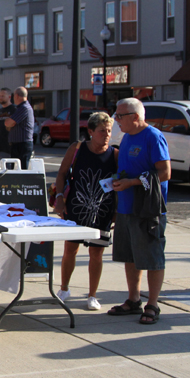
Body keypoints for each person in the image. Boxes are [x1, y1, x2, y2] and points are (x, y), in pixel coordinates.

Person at [108, 98, 171, 325]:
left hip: (147, 209)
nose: (116, 120)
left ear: (135, 117)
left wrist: (133, 182)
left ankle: (152, 304)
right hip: (126, 207)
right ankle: (133, 299)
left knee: (152, 257)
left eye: (120, 116)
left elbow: (165, 172)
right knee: (130, 256)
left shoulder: (153, 137)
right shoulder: (126, 137)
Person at [54, 112, 118, 310]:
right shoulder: (77, 148)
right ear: (91, 131)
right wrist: (59, 198)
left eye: (109, 131)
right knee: (70, 249)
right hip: (76, 207)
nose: (106, 135)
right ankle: (64, 288)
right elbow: (62, 174)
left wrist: (117, 211)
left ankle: (92, 295)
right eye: (102, 131)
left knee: (96, 253)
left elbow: (119, 183)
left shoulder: (115, 154)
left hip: (102, 210)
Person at [3, 87, 35, 170]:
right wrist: (11, 123)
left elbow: (8, 123)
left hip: (22, 144)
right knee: (14, 169)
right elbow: (11, 123)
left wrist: (10, 122)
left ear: (17, 96)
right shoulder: (20, 108)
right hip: (17, 143)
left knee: (22, 169)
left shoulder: (24, 108)